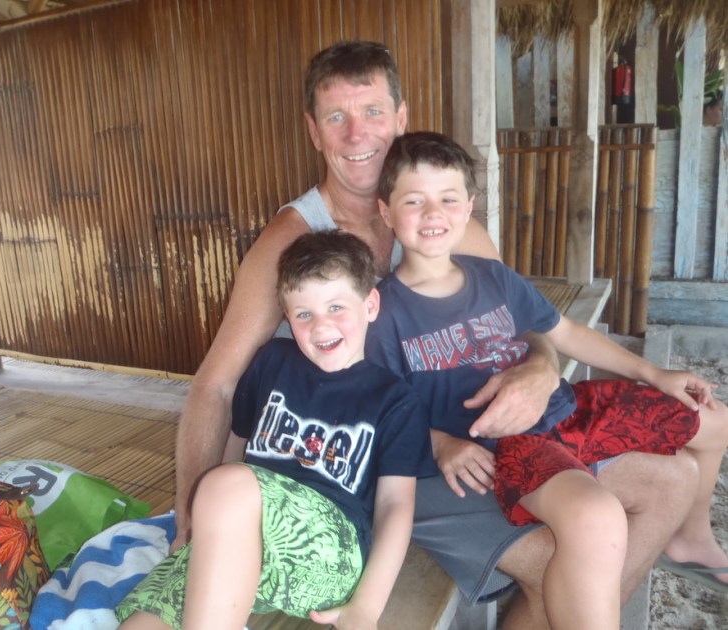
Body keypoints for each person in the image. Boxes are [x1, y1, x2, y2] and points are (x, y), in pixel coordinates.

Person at [173, 40, 700, 629]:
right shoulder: (291, 243)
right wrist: (189, 517)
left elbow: (520, 327)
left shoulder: (445, 221)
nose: (357, 134)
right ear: (313, 131)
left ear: (401, 117)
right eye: (336, 117)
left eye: (373, 111)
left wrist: (540, 367)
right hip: (383, 462)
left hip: (488, 438)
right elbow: (218, 385)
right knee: (562, 558)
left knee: (675, 479)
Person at [366, 131, 728, 628]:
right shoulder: (383, 313)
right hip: (511, 445)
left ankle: (692, 537)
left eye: (448, 199)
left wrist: (654, 372)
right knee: (595, 516)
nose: (433, 213)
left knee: (709, 416)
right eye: (414, 200)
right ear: (386, 211)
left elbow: (566, 333)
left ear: (469, 206)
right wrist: (439, 443)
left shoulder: (493, 277)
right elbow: (378, 408)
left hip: (567, 409)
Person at [118, 230, 435, 629]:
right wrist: (210, 524)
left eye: (336, 307)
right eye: (304, 314)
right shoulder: (271, 361)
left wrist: (366, 607)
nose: (321, 326)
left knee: (225, 485)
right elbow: (237, 445)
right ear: (287, 316)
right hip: (247, 536)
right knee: (141, 624)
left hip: (330, 552)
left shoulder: (394, 399)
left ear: (370, 304)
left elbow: (395, 507)